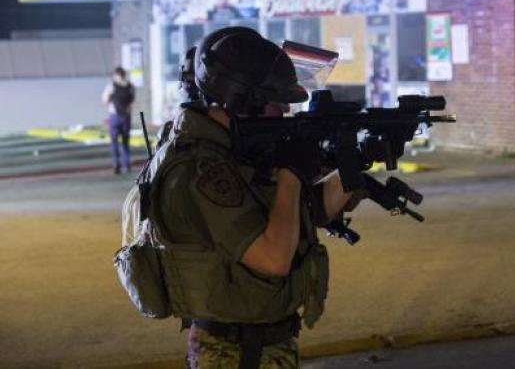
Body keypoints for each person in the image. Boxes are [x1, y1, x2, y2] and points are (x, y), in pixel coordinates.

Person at [146, 27, 363, 369]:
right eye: (276, 102)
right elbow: (273, 258)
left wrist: (357, 163)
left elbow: (304, 214)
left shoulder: (236, 154)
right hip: (234, 352)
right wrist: (291, 173)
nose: (283, 112)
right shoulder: (201, 171)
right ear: (243, 104)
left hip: (265, 343)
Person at [102, 66, 135, 174]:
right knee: (125, 142)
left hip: (114, 116)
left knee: (114, 141)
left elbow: (105, 101)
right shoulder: (130, 86)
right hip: (126, 117)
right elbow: (132, 102)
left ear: (116, 75)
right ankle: (127, 164)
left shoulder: (111, 86)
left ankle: (116, 164)